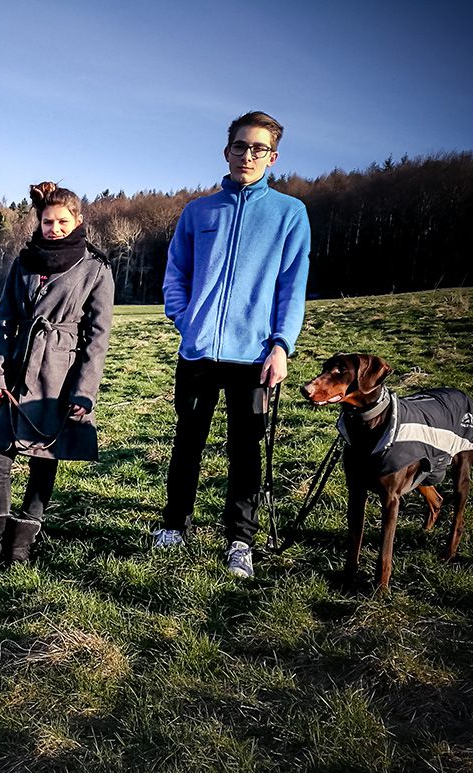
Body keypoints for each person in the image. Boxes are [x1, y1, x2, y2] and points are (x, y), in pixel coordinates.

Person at [153, 110, 310, 579]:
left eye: (259, 148)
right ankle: (174, 526)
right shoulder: (198, 211)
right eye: (240, 146)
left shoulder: (289, 214)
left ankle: (240, 540)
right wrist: (186, 321)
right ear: (227, 151)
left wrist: (281, 346)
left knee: (246, 451)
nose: (248, 155)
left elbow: (292, 286)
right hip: (198, 353)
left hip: (254, 357)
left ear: (272, 157)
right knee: (187, 442)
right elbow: (175, 273)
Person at [0, 181, 114, 565]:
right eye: (48, 221)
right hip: (16, 368)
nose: (54, 228)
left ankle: (21, 543)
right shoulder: (24, 261)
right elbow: (4, 320)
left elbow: (97, 337)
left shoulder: (96, 268)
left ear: (78, 220)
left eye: (62, 221)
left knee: (43, 456)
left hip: (59, 374)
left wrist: (84, 392)